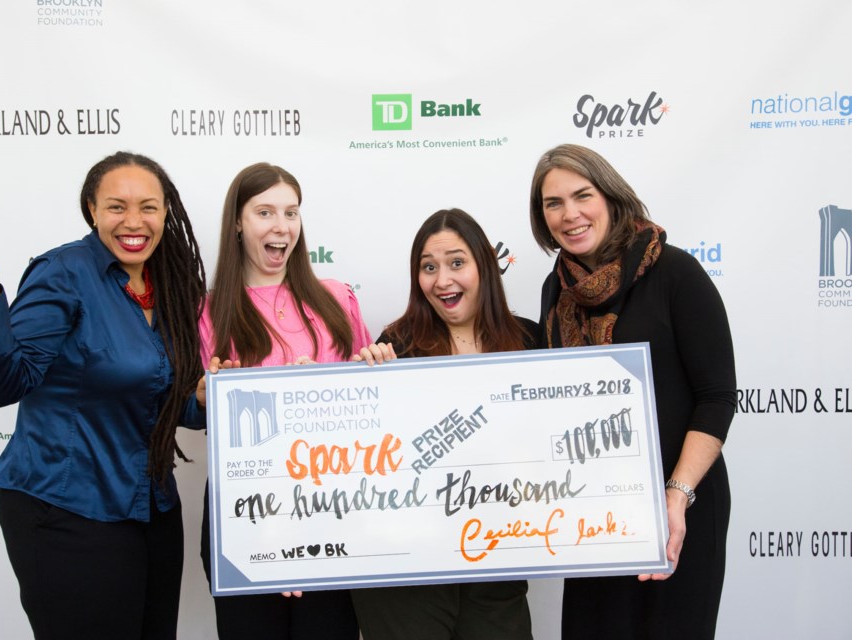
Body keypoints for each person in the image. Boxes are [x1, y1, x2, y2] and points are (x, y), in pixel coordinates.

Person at [0, 152, 207, 639]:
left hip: (153, 512)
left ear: (167, 212)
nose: (134, 221)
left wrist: (205, 400)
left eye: (149, 207)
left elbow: (161, 400)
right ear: (91, 209)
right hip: (67, 511)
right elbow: (7, 384)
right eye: (116, 206)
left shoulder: (168, 283)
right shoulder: (64, 273)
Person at [528, 144, 736, 639]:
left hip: (679, 506)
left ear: (610, 195)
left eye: (582, 195)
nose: (569, 214)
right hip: (594, 511)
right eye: (553, 203)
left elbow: (717, 396)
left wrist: (676, 496)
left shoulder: (676, 273)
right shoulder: (555, 290)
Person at [196, 162, 386, 640]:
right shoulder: (209, 311)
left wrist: (377, 373)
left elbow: (368, 411)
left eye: (291, 213)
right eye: (265, 212)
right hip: (246, 523)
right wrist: (206, 396)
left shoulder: (337, 298)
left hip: (335, 519)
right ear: (237, 223)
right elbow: (214, 421)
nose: (282, 226)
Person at [349, 208, 536, 640]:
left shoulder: (530, 341)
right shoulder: (395, 346)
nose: (442, 280)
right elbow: (363, 464)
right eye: (428, 268)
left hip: (496, 568)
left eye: (457, 262)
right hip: (405, 580)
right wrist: (364, 384)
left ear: (484, 267)